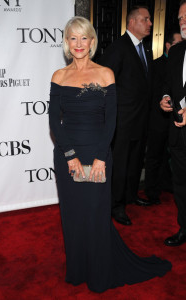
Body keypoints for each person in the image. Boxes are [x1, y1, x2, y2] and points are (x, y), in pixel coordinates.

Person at [49, 16, 171, 293]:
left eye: (84, 38)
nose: (79, 44)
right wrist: (70, 156)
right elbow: (55, 122)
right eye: (73, 38)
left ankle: (100, 270)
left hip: (98, 152)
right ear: (67, 43)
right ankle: (78, 267)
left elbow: (111, 121)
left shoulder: (105, 73)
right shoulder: (59, 76)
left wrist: (101, 158)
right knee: (72, 214)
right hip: (68, 153)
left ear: (92, 42)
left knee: (94, 213)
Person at [100, 6, 154, 226]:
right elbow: (103, 83)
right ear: (132, 22)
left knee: (134, 162)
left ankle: (131, 195)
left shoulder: (145, 49)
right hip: (122, 121)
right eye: (146, 19)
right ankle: (116, 205)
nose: (150, 23)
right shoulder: (117, 48)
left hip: (141, 120)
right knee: (120, 164)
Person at [145, 31, 182, 204]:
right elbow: (152, 94)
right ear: (168, 45)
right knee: (154, 155)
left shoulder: (181, 62)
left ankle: (166, 183)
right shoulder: (156, 65)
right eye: (177, 42)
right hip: (158, 119)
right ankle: (151, 191)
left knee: (172, 155)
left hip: (175, 120)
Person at [160, 0, 186, 246]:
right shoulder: (177, 51)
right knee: (180, 183)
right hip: (178, 132)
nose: (183, 22)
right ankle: (184, 228)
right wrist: (165, 98)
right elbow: (169, 84)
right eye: (179, 18)